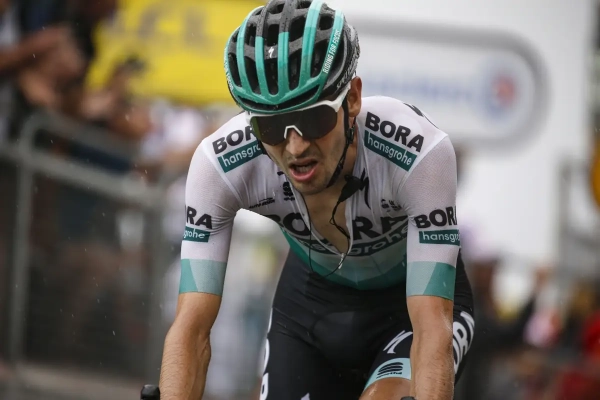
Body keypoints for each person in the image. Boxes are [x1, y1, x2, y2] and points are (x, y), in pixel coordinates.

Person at [159, 1, 474, 399]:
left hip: (409, 309)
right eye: (271, 126)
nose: (295, 147)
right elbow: (191, 328)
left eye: (313, 119)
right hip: (309, 307)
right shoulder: (220, 165)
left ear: (352, 99)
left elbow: (431, 330)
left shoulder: (417, 154)